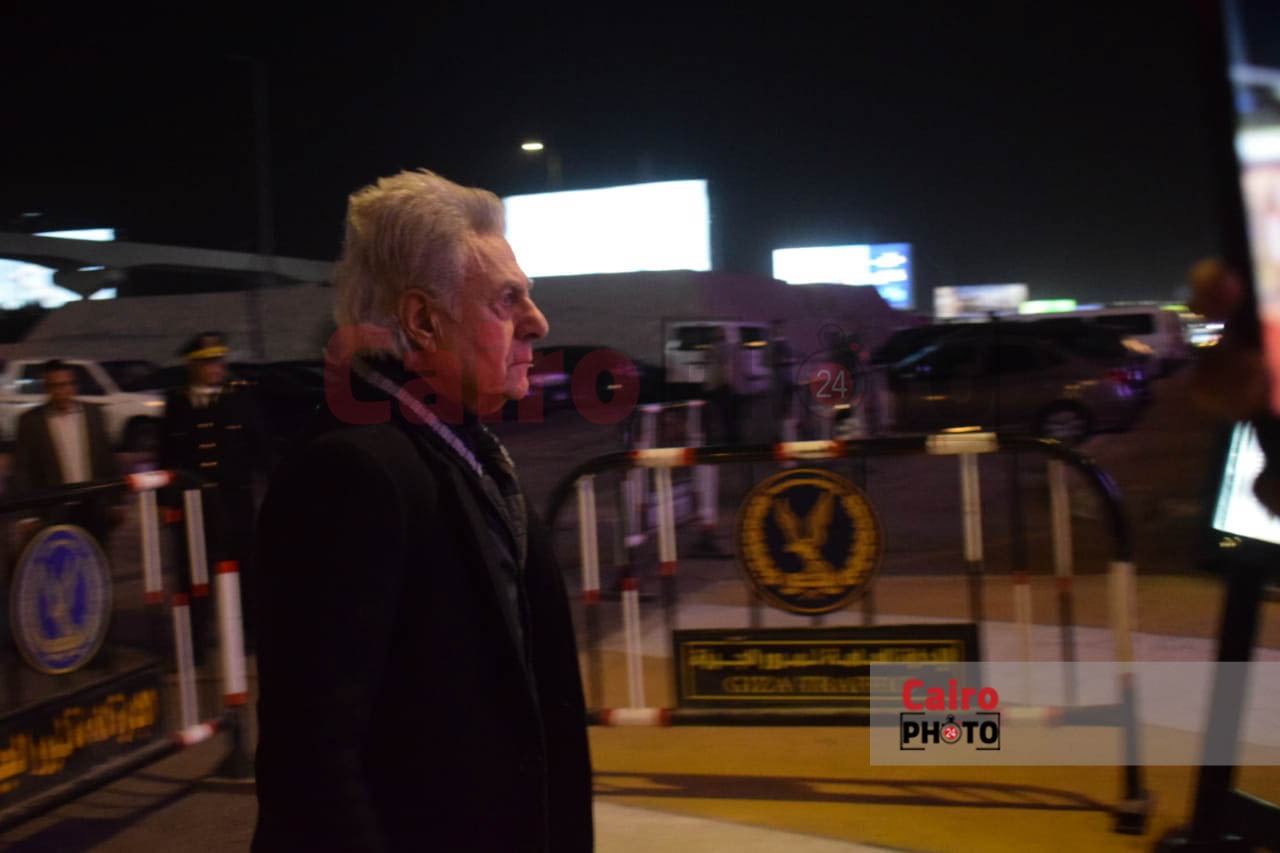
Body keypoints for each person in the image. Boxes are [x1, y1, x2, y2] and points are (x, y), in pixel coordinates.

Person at [251, 169, 593, 852]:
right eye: (508, 300)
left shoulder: (459, 449)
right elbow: (314, 767)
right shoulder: (350, 473)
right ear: (422, 320)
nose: (538, 321)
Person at [158, 332, 268, 648]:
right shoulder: (177, 402)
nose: (216, 367)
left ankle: (250, 634)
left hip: (235, 502)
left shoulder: (239, 399)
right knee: (193, 572)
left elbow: (260, 448)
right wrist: (165, 501)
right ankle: (194, 639)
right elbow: (167, 455)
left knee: (245, 570)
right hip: (193, 505)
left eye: (219, 361)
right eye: (208, 362)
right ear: (192, 366)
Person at [10, 359, 123, 547]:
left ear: (74, 386)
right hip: (53, 510)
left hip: (92, 507)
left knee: (96, 557)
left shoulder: (93, 414)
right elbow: (22, 470)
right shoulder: (31, 421)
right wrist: (27, 515)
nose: (61, 391)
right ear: (46, 388)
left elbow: (106, 460)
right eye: (54, 386)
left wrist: (116, 501)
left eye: (65, 385)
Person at [704, 325, 743, 443]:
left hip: (719, 386)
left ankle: (725, 438)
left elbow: (715, 364)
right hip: (724, 386)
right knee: (727, 415)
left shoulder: (714, 348)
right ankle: (731, 438)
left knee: (722, 415)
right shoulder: (724, 348)